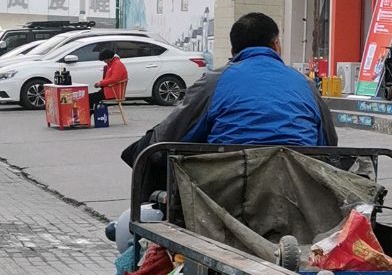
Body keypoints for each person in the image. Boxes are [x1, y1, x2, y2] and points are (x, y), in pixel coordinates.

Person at [121, 13, 337, 172]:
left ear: (234, 51)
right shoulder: (305, 84)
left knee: (149, 147)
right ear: (276, 45)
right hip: (302, 188)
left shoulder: (215, 81)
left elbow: (170, 135)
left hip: (229, 190)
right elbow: (328, 143)